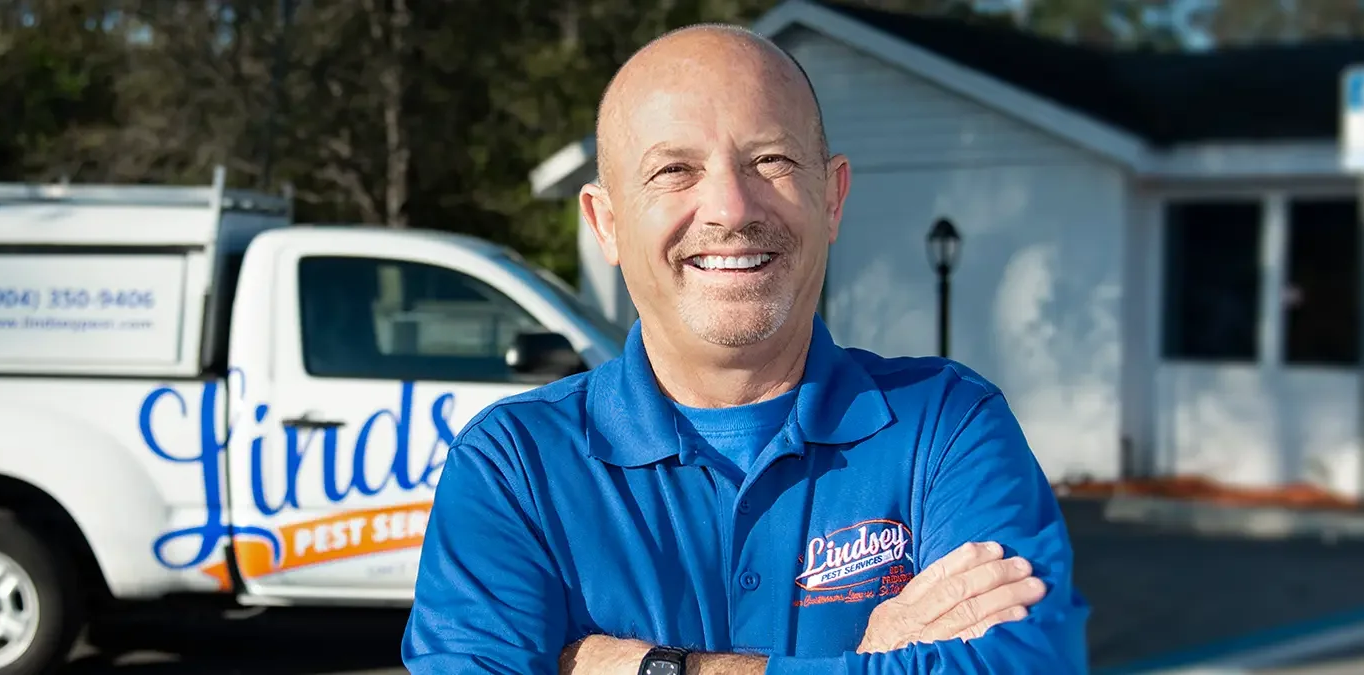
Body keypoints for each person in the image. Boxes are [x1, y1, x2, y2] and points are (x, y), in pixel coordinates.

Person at [401, 22, 1090, 675]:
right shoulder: (514, 466)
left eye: (771, 159)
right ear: (605, 224)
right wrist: (867, 660)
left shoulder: (947, 425)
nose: (731, 208)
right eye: (675, 169)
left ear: (832, 198)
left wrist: (653, 667)